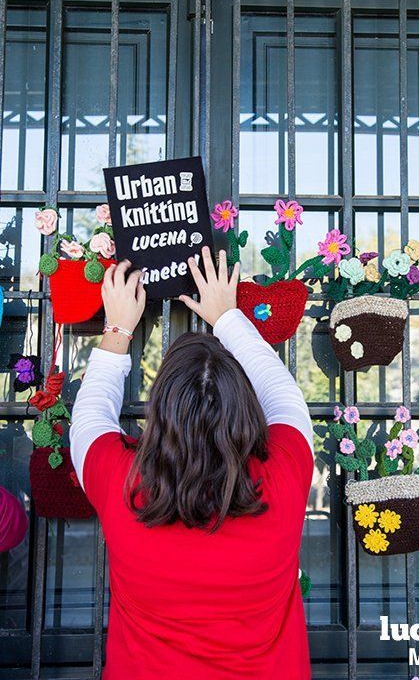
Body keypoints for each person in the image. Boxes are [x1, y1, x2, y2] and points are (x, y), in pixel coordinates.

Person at [70, 248, 314, 679]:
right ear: (245, 413)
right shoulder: (284, 477)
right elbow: (284, 396)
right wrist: (228, 317)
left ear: (160, 412)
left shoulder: (122, 482)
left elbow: (89, 416)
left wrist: (118, 327)